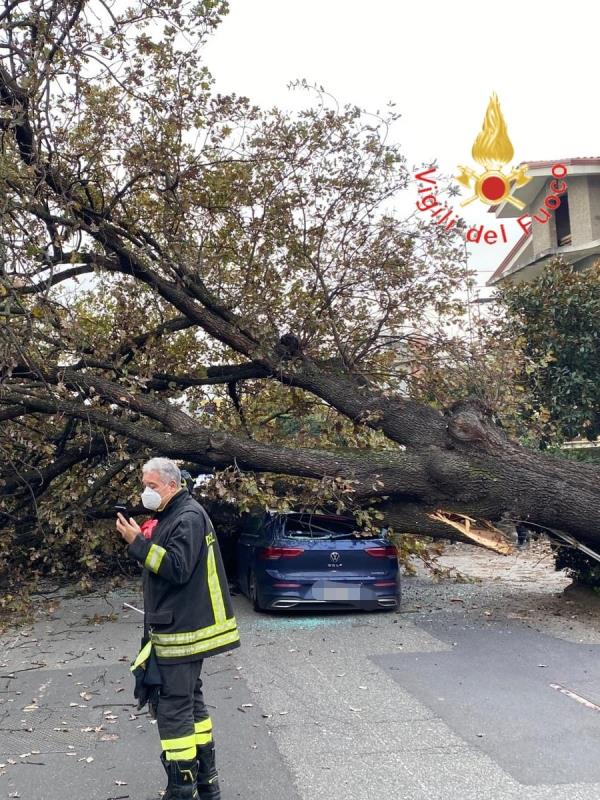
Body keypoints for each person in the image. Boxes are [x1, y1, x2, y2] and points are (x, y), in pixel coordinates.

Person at [116, 457, 239, 800]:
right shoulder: (171, 514)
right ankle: (207, 784)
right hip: (181, 627)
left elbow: (177, 567)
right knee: (191, 704)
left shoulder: (187, 516)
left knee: (174, 709)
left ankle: (181, 789)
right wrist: (141, 540)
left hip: (181, 632)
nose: (146, 493)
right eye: (145, 486)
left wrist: (136, 543)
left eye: (152, 486)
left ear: (172, 485)